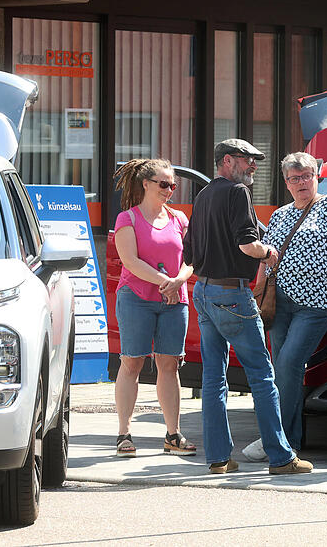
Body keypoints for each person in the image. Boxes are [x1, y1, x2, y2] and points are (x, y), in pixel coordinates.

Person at [182, 138, 314, 475]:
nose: (254, 165)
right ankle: (282, 458)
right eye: (248, 159)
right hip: (232, 295)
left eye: (256, 160)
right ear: (228, 160)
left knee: (213, 378)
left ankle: (219, 458)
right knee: (262, 376)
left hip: (204, 291)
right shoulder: (237, 192)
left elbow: (189, 253)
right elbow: (246, 244)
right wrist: (268, 252)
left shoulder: (203, 194)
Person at [242, 152, 327, 461]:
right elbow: (267, 257)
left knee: (289, 362)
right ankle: (287, 441)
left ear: (316, 176)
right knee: (282, 369)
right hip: (280, 303)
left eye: (306, 176)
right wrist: (259, 292)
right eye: (294, 178)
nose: (301, 182)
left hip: (317, 303)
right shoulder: (280, 215)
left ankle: (276, 439)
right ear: (286, 183)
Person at [112, 158, 197, 458]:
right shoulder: (128, 219)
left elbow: (191, 260)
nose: (169, 190)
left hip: (174, 301)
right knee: (132, 362)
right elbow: (130, 262)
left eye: (172, 185)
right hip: (137, 298)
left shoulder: (179, 220)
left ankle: (173, 435)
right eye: (163, 184)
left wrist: (179, 281)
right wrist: (167, 282)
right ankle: (124, 433)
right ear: (146, 184)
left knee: (170, 364)